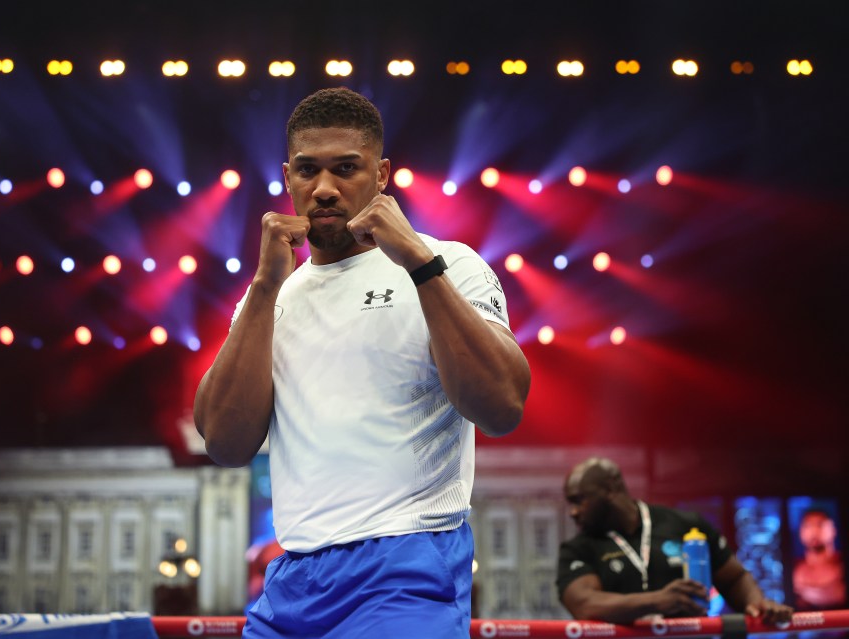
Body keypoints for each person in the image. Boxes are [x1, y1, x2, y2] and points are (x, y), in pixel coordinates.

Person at [193, 87, 531, 638]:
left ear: (382, 175)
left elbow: (502, 407)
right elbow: (226, 445)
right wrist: (262, 285)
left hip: (408, 566)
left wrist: (420, 264)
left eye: (346, 168)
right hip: (294, 578)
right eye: (308, 170)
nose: (323, 188)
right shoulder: (270, 297)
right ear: (287, 176)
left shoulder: (451, 264)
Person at [556, 457, 793, 625]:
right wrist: (658, 601)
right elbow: (585, 604)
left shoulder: (685, 525)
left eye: (579, 500)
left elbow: (734, 578)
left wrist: (757, 604)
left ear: (610, 488)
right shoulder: (578, 548)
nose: (573, 512)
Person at [792, 509, 845, 610]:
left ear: (833, 530)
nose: (814, 531)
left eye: (820, 525)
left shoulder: (841, 564)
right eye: (807, 526)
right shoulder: (794, 568)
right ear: (801, 532)